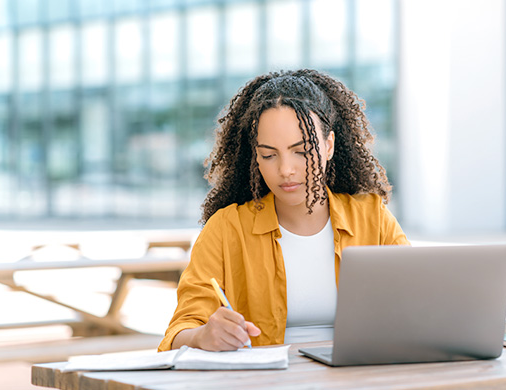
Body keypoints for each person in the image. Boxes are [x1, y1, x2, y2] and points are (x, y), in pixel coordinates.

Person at [158, 69, 409, 352]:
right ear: (255, 156)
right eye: (268, 155)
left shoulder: (372, 218)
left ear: (328, 146)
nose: (286, 170)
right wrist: (201, 336)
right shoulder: (226, 229)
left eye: (302, 151)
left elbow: (418, 303)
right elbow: (178, 332)